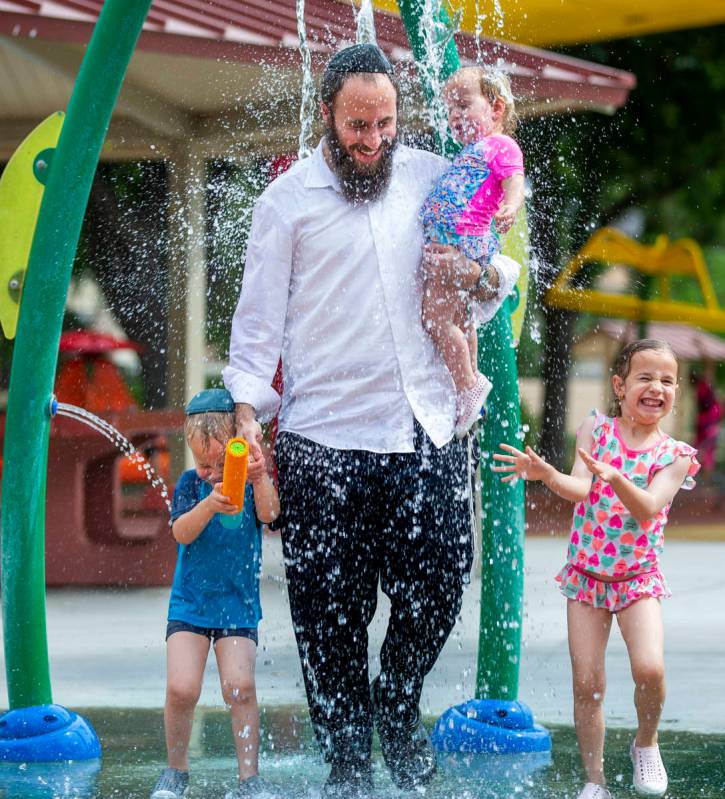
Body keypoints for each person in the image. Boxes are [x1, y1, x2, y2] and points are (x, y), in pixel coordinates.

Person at [222, 43, 518, 798]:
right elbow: (254, 333)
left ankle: (396, 701)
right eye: (357, 125)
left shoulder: (428, 175)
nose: (372, 139)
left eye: (384, 123)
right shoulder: (285, 203)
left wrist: (486, 273)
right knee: (328, 617)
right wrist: (247, 415)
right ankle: (349, 756)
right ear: (326, 114)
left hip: (424, 429)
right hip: (324, 439)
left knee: (443, 582)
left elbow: (485, 270)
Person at [493, 339, 699, 799]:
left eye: (666, 380)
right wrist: (547, 475)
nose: (656, 387)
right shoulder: (596, 429)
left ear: (675, 392)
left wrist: (618, 476)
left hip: (637, 579)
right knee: (588, 682)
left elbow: (647, 508)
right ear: (619, 385)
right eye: (645, 377)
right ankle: (595, 781)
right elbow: (580, 487)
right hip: (586, 577)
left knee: (650, 669)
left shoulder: (675, 454)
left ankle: (645, 741)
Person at [150, 389, 280, 799]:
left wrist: (258, 478)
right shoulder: (192, 485)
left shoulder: (250, 480)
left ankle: (249, 778)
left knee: (239, 687)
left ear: (236, 451)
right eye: (201, 462)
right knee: (181, 688)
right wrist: (209, 504)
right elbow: (180, 533)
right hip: (190, 602)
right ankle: (176, 770)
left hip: (236, 603)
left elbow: (270, 515)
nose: (208, 471)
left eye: (217, 462)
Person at [420, 66, 525, 436]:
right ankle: (471, 375)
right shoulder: (472, 153)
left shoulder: (500, 145)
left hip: (461, 243)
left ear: (496, 108)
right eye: (450, 109)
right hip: (458, 241)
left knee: (434, 317)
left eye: (464, 104)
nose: (455, 115)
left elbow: (514, 178)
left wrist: (511, 206)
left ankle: (467, 385)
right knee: (462, 316)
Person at [691, 365, 721, 482]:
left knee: (701, 450)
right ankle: (704, 479)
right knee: (707, 451)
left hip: (706, 424)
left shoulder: (702, 387)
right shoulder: (706, 388)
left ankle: (700, 477)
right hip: (709, 424)